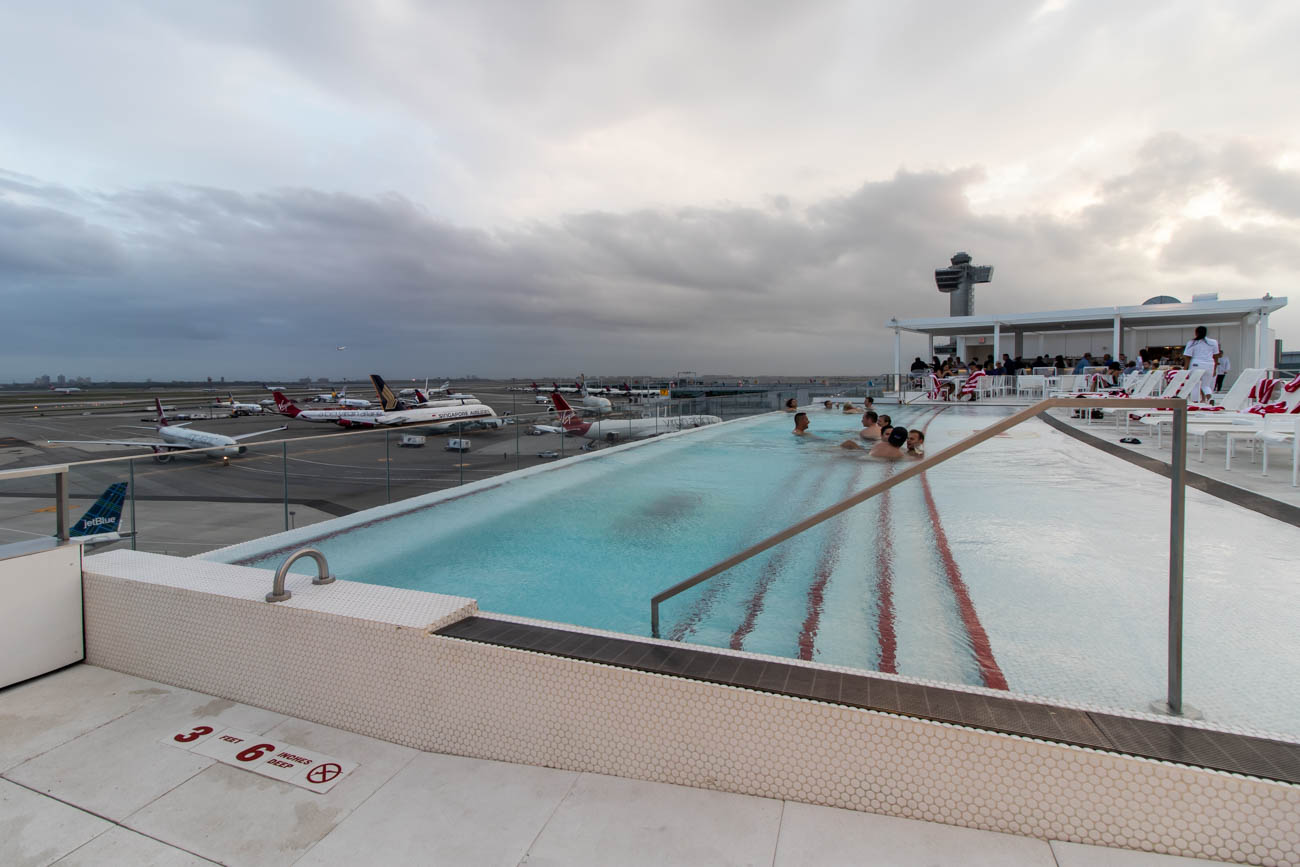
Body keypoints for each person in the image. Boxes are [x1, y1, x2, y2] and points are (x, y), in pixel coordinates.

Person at [1182, 326, 1220, 402]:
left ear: (1196, 333)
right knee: (1206, 385)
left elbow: (1187, 356)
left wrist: (1185, 368)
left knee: (1195, 383)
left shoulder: (1192, 342)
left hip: (1196, 364)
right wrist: (1215, 368)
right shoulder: (1213, 342)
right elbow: (1216, 356)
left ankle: (1195, 401)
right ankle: (1208, 398)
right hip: (1209, 364)